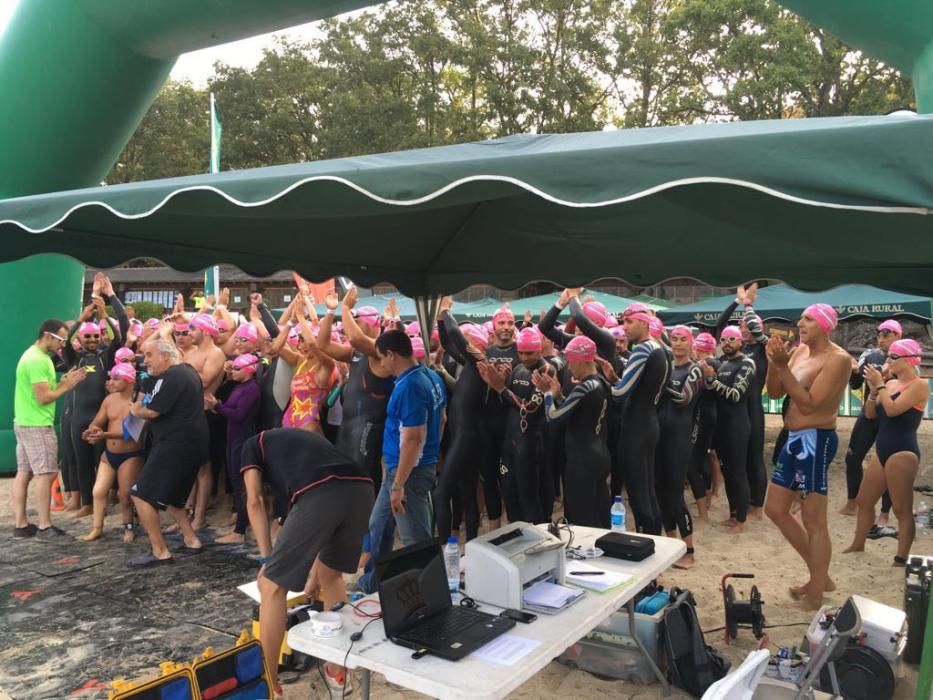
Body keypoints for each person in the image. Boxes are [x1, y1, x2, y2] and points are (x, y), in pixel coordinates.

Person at [243, 428, 373, 697]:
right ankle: (338, 673)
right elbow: (311, 526)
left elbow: (254, 501)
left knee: (271, 586)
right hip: (362, 487)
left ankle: (268, 682)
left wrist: (268, 560)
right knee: (331, 575)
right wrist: (312, 575)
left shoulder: (252, 445)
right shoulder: (298, 448)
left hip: (322, 491)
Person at [764, 304, 851, 610]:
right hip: (793, 438)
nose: (800, 322)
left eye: (809, 319)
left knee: (815, 521)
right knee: (775, 509)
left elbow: (811, 404)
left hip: (816, 439)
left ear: (826, 325)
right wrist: (773, 364)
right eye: (801, 318)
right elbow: (775, 393)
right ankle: (820, 576)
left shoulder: (839, 359)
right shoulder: (799, 352)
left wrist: (783, 367)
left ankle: (815, 593)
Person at [357, 330, 446, 594]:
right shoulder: (431, 376)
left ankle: (430, 593)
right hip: (402, 469)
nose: (381, 365)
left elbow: (413, 439)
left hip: (408, 473)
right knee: (378, 524)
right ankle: (373, 584)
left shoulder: (409, 386)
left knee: (414, 538)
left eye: (381, 358)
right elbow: (441, 421)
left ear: (391, 355)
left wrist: (399, 484)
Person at [844, 338, 928, 566]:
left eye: (893, 356)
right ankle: (858, 543)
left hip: (903, 451)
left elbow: (892, 411)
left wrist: (880, 384)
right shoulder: (890, 385)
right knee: (864, 500)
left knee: (901, 509)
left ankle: (901, 558)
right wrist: (873, 391)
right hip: (882, 448)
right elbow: (871, 414)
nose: (887, 360)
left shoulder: (919, 385)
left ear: (908, 360)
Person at [127, 339, 209, 566]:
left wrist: (135, 410)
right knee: (173, 498)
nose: (147, 361)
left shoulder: (171, 376)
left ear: (165, 356)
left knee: (140, 494)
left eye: (150, 355)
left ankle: (159, 551)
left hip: (175, 445)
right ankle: (192, 539)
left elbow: (152, 412)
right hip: (191, 444)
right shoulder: (188, 371)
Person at [60, 273, 129, 514]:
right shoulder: (74, 358)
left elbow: (120, 336)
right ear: (81, 338)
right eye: (87, 336)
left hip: (99, 418)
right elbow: (65, 340)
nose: (91, 340)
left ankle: (101, 500)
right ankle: (87, 504)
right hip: (78, 417)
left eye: (95, 336)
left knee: (102, 461)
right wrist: (82, 318)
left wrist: (104, 315)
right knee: (81, 461)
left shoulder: (105, 357)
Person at [12, 320, 87, 540]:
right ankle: (45, 526)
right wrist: (66, 386)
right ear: (48, 335)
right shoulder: (37, 360)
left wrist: (60, 383)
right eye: (61, 340)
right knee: (46, 474)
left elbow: (43, 391)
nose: (62, 346)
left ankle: (21, 524)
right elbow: (43, 397)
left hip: (24, 421)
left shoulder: (34, 356)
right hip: (36, 424)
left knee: (24, 472)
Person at [317, 287, 393, 492]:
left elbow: (356, 338)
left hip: (369, 427)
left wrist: (346, 309)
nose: (350, 325)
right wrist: (331, 312)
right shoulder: (356, 352)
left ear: (370, 324)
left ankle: (371, 523)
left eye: (357, 321)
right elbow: (322, 344)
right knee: (346, 480)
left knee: (364, 481)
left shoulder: (380, 349)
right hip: (348, 427)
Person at [603, 303, 670, 535]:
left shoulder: (642, 349)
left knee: (639, 492)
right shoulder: (659, 349)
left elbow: (621, 394)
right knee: (648, 490)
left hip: (636, 429)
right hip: (648, 423)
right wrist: (613, 379)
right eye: (623, 322)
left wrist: (596, 382)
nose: (625, 328)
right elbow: (635, 387)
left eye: (629, 322)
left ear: (644, 322)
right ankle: (656, 541)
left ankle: (649, 543)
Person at [534, 336, 611, 527]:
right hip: (599, 455)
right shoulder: (602, 382)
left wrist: (547, 394)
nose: (568, 367)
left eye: (569, 361)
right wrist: (559, 395)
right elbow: (579, 413)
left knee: (580, 520)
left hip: (583, 461)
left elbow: (553, 417)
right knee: (600, 517)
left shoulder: (585, 387)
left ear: (580, 359)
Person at [478, 326, 550, 524]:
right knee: (510, 496)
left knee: (528, 498)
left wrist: (501, 387)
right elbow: (505, 399)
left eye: (530, 353)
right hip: (510, 441)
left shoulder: (546, 370)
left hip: (529, 443)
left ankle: (535, 542)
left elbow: (530, 408)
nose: (525, 357)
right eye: (521, 352)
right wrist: (501, 382)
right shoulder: (518, 367)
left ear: (540, 350)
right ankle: (514, 541)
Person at [433, 301, 489, 541]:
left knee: (441, 493)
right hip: (464, 435)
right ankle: (472, 544)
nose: (461, 343)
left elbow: (454, 334)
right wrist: (438, 318)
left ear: (476, 344)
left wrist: (445, 308)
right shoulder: (470, 364)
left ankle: (446, 551)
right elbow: (447, 341)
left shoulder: (480, 362)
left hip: (467, 436)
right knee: (466, 492)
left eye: (467, 339)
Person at [840, 318, 901, 519]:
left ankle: (884, 512)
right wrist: (853, 370)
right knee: (852, 457)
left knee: (889, 463)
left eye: (886, 335)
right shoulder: (870, 354)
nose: (881, 339)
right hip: (869, 413)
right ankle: (852, 502)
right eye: (879, 335)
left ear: (898, 336)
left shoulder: (906, 357)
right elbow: (857, 384)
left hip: (892, 417)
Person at [80, 362, 146, 542]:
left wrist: (103, 435)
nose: (111, 382)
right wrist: (92, 430)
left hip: (131, 454)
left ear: (128, 380)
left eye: (116, 379)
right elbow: (97, 421)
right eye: (111, 378)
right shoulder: (109, 400)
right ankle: (97, 528)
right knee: (98, 491)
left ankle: (129, 527)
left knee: (124, 495)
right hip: (109, 454)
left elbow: (132, 434)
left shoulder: (141, 400)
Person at [657, 325, 704, 568]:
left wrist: (660, 381)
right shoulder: (667, 368)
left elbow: (684, 398)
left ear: (690, 343)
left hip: (680, 438)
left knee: (675, 494)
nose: (677, 344)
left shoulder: (694, 369)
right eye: (674, 339)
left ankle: (690, 549)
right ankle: (671, 540)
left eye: (682, 339)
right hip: (661, 436)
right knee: (660, 491)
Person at [702, 326, 757, 533]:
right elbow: (715, 395)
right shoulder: (724, 363)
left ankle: (741, 519)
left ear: (741, 341)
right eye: (723, 339)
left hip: (737, 426)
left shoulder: (747, 363)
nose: (727, 343)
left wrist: (711, 380)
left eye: (732, 339)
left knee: (737, 472)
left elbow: (735, 395)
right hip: (721, 425)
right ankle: (733, 514)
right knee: (726, 470)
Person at [204, 353, 261, 546]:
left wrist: (217, 406)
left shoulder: (252, 389)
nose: (232, 371)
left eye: (237, 369)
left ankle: (240, 532)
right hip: (233, 439)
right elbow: (228, 410)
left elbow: (237, 416)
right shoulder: (239, 387)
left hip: (243, 440)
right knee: (236, 484)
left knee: (242, 487)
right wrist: (217, 406)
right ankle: (239, 527)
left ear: (248, 370)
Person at [176, 313, 226, 531]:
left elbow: (204, 380)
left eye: (192, 329)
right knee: (189, 465)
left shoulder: (216, 353)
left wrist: (182, 368)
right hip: (188, 414)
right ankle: (188, 511)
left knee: (204, 468)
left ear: (204, 331)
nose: (188, 333)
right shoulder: (193, 352)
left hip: (205, 414)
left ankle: (200, 517)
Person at [479, 305, 520, 531]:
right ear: (494, 325)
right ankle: (494, 530)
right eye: (502, 323)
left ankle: (514, 528)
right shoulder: (485, 354)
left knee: (511, 481)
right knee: (489, 478)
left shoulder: (521, 351)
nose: (506, 327)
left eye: (510, 323)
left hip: (512, 426)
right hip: (488, 425)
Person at [688, 332, 720, 521]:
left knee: (699, 461)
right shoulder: (713, 363)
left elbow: (711, 389)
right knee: (704, 458)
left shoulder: (707, 365)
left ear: (699, 349)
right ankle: (706, 500)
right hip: (708, 415)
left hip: (704, 417)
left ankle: (705, 505)